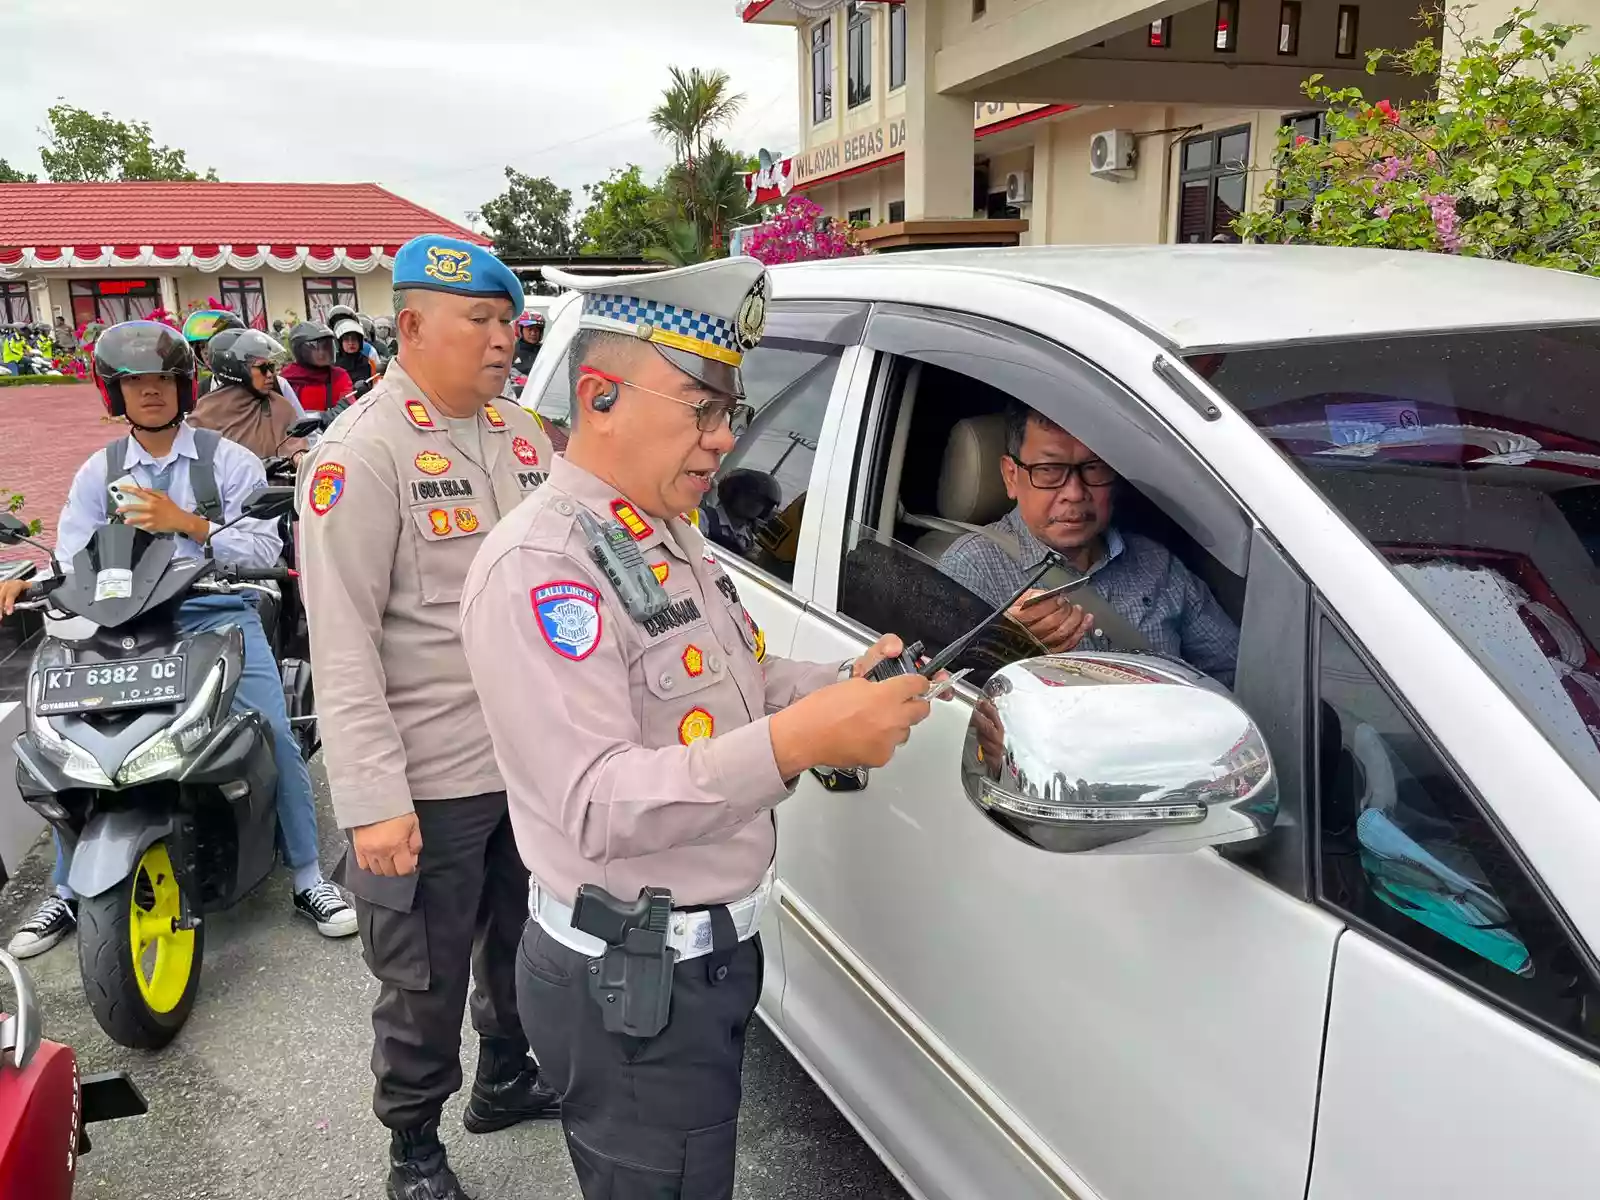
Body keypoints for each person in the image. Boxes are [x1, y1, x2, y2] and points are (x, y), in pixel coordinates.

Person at [459, 257, 938, 1200]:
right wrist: (804, 740)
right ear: (598, 397)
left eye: (732, 413)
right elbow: (596, 803)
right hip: (629, 987)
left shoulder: (661, 527)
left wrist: (840, 682)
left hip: (697, 960)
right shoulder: (540, 567)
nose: (724, 439)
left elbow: (734, 680)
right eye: (699, 407)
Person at [296, 234, 558, 1200]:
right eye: (481, 323)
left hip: (527, 762)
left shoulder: (523, 436)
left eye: (509, 323)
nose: (503, 341)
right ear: (411, 326)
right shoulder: (362, 455)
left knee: (522, 939)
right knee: (423, 974)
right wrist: (371, 802)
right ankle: (413, 1144)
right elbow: (344, 645)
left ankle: (503, 1076)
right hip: (429, 777)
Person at [1, 320, 355, 961]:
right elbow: (75, 553)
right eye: (134, 382)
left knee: (272, 733)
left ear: (184, 385)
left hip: (214, 614)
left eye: (162, 379)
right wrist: (29, 579)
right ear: (116, 395)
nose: (151, 393)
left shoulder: (227, 460)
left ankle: (308, 875)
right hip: (122, 626)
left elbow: (262, 543)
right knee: (67, 741)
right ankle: (63, 887)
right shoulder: (97, 472)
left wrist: (187, 524)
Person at [937, 399, 1239, 684]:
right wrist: (1005, 646)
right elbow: (937, 699)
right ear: (1011, 476)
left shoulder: (1156, 564)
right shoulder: (972, 568)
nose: (1075, 492)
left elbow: (1234, 674)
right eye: (1050, 470)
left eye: (1093, 467)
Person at [190, 329, 309, 462]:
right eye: (263, 368)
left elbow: (297, 447)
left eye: (271, 367)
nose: (271, 374)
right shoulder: (203, 414)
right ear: (236, 370)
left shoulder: (280, 407)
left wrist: (299, 456)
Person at [281, 320, 354, 413]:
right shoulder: (286, 379)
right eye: (316, 348)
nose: (322, 353)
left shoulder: (339, 376)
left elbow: (348, 406)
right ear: (300, 350)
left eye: (326, 347)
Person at [333, 316, 375, 389]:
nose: (351, 343)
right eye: (346, 339)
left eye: (354, 339)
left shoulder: (368, 362)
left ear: (360, 341)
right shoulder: (333, 363)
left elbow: (375, 385)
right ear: (340, 342)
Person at [510, 311, 542, 377]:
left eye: (537, 330)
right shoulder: (511, 351)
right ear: (520, 330)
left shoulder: (545, 351)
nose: (533, 333)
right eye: (529, 329)